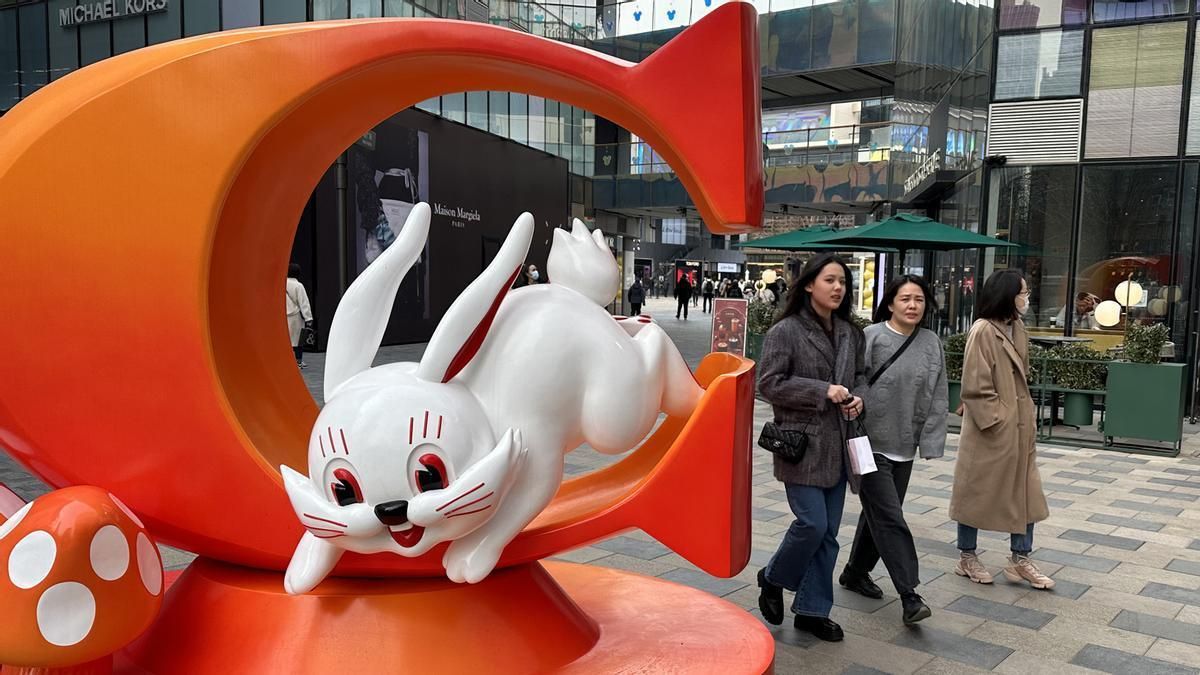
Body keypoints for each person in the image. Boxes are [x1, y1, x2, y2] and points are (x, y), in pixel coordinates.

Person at [755, 253, 867, 642]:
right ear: (808, 285)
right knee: (812, 524)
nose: (838, 288)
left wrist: (858, 398)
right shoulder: (785, 331)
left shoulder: (852, 333)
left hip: (841, 446)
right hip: (801, 445)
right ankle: (773, 577)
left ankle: (813, 610)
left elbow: (862, 377)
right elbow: (767, 384)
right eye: (830, 280)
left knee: (830, 533)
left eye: (843, 282)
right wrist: (823, 390)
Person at [839, 275, 946, 626]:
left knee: (880, 513)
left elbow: (937, 393)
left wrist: (930, 440)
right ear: (890, 304)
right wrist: (854, 402)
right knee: (890, 516)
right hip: (868, 442)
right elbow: (852, 380)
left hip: (905, 444)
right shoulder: (872, 337)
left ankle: (855, 572)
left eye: (919, 299)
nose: (913, 305)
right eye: (905, 299)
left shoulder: (931, 342)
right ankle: (910, 595)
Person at [951, 269, 1055, 590]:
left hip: (1020, 428)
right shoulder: (983, 330)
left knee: (1025, 492)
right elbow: (976, 385)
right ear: (1007, 294)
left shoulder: (1017, 327)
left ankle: (1020, 559)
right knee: (977, 491)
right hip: (993, 430)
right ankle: (967, 556)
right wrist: (998, 419)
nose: (1027, 297)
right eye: (1022, 292)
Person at [286, 263, 313, 369]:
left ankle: (287, 361)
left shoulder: (282, 284)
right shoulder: (298, 285)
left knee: (287, 339)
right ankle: (298, 361)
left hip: (284, 316)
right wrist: (308, 318)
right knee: (297, 340)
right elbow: (304, 302)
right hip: (296, 316)